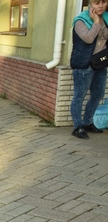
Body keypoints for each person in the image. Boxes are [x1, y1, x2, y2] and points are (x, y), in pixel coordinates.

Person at [70, 0, 108, 139]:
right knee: (79, 96)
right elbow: (88, 38)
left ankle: (88, 123)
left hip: (100, 64)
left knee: (98, 95)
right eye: (97, 3)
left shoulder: (106, 18)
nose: (101, 6)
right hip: (84, 64)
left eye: (104, 2)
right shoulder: (81, 20)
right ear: (90, 4)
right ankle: (78, 126)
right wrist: (96, 21)